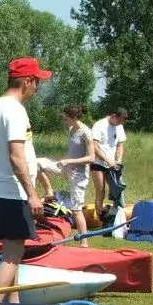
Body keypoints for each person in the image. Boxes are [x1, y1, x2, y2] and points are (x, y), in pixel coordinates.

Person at [0, 56, 53, 303]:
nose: (38, 88)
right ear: (27, 81)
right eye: (37, 82)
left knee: (13, 253)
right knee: (12, 256)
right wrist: (32, 194)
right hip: (14, 193)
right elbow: (16, 156)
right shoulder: (15, 110)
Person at [55, 105, 96, 246]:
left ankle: (84, 243)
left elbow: (91, 158)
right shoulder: (71, 129)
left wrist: (68, 161)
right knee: (39, 164)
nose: (63, 119)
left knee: (76, 209)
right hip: (66, 169)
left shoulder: (86, 132)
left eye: (65, 117)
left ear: (73, 118)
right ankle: (49, 192)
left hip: (79, 174)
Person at [90, 108, 128, 211]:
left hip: (112, 165)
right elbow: (95, 146)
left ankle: (117, 215)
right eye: (119, 121)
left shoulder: (119, 127)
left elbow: (120, 146)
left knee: (118, 190)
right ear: (113, 116)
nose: (119, 123)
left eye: (121, 122)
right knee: (101, 192)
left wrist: (118, 160)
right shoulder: (99, 125)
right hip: (98, 163)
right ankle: (99, 219)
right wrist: (107, 160)